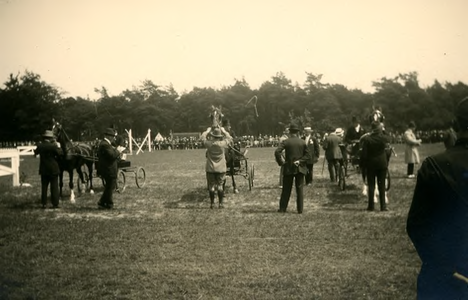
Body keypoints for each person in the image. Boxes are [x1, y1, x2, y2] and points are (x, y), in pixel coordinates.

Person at [407, 97, 468, 299]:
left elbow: (417, 225)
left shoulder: (434, 164)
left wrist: (444, 267)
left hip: (444, 277)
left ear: (456, 125)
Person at [274, 123, 310, 214]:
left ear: (290, 132)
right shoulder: (302, 142)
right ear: (298, 132)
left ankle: (282, 208)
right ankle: (300, 209)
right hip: (300, 168)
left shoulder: (286, 142)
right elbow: (308, 155)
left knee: (286, 189)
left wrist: (281, 163)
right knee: (299, 189)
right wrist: (300, 161)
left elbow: (277, 152)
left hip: (288, 168)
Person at [360, 122, 390, 211]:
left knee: (371, 185)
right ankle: (383, 206)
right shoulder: (383, 138)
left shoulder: (367, 139)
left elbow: (364, 154)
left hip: (371, 164)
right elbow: (388, 143)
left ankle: (371, 206)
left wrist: (362, 164)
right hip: (382, 163)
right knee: (382, 186)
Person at [200, 126, 232, 209]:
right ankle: (220, 203)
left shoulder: (209, 144)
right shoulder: (223, 144)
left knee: (211, 186)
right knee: (220, 186)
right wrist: (224, 130)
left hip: (210, 168)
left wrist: (207, 130)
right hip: (221, 168)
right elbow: (229, 138)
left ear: (213, 136)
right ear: (219, 136)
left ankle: (212, 203)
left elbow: (202, 138)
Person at [34, 130, 63, 209]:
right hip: (53, 168)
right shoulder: (53, 146)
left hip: (44, 168)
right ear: (50, 138)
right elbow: (60, 154)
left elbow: (35, 153)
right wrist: (58, 146)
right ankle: (55, 203)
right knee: (54, 186)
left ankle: (44, 203)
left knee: (44, 187)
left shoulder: (40, 146)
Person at [97, 128, 121, 209]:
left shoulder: (105, 143)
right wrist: (118, 151)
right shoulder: (105, 144)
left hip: (108, 169)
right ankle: (108, 203)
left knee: (109, 187)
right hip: (108, 169)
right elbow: (112, 155)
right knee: (110, 187)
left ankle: (103, 202)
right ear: (108, 136)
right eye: (113, 136)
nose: (114, 138)